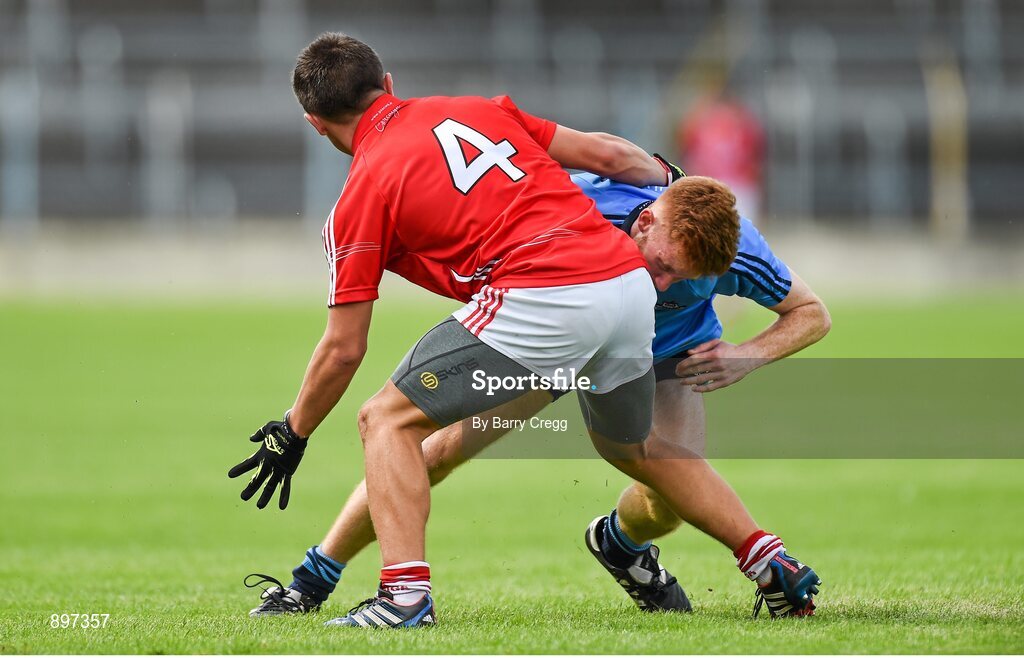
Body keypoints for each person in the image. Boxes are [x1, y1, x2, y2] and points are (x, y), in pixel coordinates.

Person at [229, 32, 721, 629]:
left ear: (314, 123)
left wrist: (295, 429)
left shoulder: (360, 195)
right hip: (625, 293)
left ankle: (404, 599)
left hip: (543, 305)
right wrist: (679, 186)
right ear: (388, 86)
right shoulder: (480, 109)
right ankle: (769, 560)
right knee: (632, 452)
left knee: (387, 421)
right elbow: (611, 157)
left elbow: (343, 348)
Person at [242, 169, 830, 622]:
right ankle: (313, 579)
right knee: (437, 448)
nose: (662, 286)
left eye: (682, 280)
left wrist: (746, 355)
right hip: (562, 341)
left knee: (669, 496)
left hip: (667, 359)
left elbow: (811, 313)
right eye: (661, 268)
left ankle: (620, 545)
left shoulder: (734, 249)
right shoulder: (580, 202)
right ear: (645, 221)